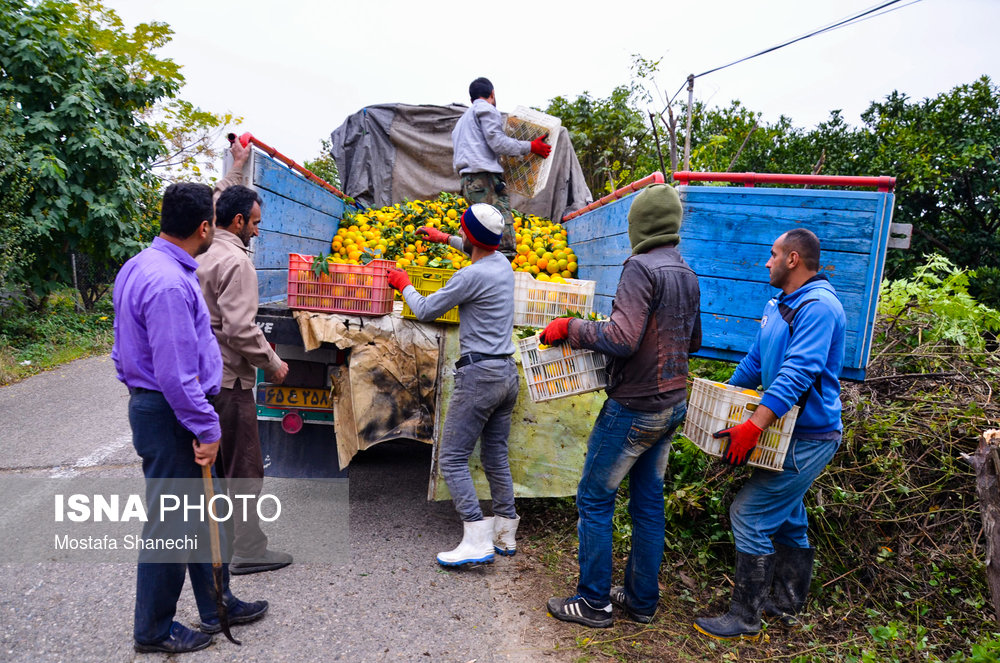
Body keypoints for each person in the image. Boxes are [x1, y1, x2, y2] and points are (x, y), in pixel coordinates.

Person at [112, 182, 267, 654]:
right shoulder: (168, 284)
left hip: (162, 406)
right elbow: (177, 375)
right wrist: (205, 427)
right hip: (170, 411)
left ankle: (216, 603)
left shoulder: (142, 264)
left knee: (205, 514)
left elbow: (121, 353)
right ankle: (153, 630)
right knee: (171, 522)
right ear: (204, 227)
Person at [541, 183, 702, 628]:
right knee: (648, 504)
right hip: (671, 404)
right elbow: (694, 341)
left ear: (640, 225)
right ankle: (641, 601)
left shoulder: (640, 267)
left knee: (594, 498)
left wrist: (571, 327)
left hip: (634, 407)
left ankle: (593, 603)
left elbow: (620, 338)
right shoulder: (686, 272)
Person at [693, 227, 846, 641]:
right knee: (789, 518)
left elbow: (799, 373)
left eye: (773, 254)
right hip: (787, 430)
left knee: (750, 514)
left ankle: (745, 617)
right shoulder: (780, 303)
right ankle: (788, 603)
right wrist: (724, 399)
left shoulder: (818, 307)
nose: (767, 261)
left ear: (793, 259)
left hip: (810, 436)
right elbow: (755, 360)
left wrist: (754, 425)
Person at [387, 203, 520, 566]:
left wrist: (403, 284)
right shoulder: (502, 265)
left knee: (452, 457)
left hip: (480, 377)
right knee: (495, 457)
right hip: (507, 373)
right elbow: (476, 246)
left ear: (472, 236)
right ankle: (505, 533)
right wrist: (444, 239)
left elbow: (427, 309)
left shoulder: (469, 277)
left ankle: (476, 537)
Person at [196, 156, 292, 575]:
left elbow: (221, 194)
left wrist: (236, 166)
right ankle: (249, 549)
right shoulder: (237, 263)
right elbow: (239, 328)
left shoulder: (201, 250)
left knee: (213, 469)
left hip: (202, 376)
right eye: (254, 222)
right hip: (231, 382)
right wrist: (271, 363)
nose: (257, 229)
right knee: (245, 467)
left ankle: (215, 545)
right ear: (237, 221)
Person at [452, 76, 552, 258]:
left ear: (471, 98)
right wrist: (531, 147)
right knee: (502, 242)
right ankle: (499, 282)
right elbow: (498, 143)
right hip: (485, 182)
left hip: (468, 183)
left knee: (481, 241)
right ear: (492, 94)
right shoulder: (486, 109)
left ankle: (483, 279)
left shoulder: (462, 121)